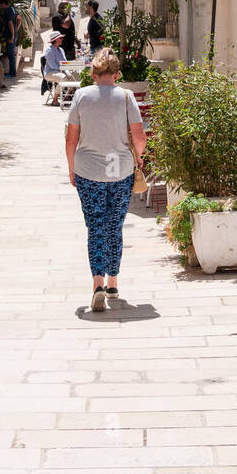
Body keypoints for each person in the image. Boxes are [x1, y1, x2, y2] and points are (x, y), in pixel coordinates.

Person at [65, 47, 147, 311]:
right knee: (115, 225)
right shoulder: (125, 97)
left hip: (88, 170)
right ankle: (113, 283)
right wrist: (139, 158)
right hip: (120, 171)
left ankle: (97, 283)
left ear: (94, 72)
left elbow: (71, 139)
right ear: (116, 73)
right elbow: (139, 137)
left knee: (95, 226)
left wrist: (70, 168)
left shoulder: (81, 96)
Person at [41, 30, 67, 104]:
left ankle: (68, 96)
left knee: (75, 76)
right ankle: (55, 100)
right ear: (55, 40)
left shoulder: (61, 49)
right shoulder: (49, 50)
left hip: (61, 71)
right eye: (60, 38)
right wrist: (63, 68)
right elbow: (53, 66)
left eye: (62, 38)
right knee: (63, 77)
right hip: (50, 72)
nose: (62, 39)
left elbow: (65, 61)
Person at [0, 0, 17, 78]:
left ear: (3, 4)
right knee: (11, 55)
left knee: (10, 55)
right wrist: (16, 31)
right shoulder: (13, 9)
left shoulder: (7, 11)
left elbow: (10, 24)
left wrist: (12, 36)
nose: (0, 7)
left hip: (10, 36)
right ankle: (12, 72)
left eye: (0, 5)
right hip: (14, 35)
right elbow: (19, 18)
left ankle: (12, 74)